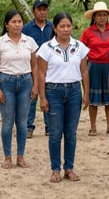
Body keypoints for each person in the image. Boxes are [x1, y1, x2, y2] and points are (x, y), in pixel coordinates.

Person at [38, 12, 89, 183]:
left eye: (68, 26)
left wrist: (86, 92)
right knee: (55, 133)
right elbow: (41, 73)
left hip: (74, 90)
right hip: (54, 91)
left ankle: (69, 167)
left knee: (71, 133)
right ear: (55, 28)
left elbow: (84, 71)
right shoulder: (46, 48)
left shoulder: (79, 47)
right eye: (62, 26)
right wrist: (42, 97)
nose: (66, 30)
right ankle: (55, 169)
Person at [0, 9, 38, 169]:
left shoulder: (29, 41)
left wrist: (35, 85)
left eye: (19, 22)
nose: (17, 25)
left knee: (22, 123)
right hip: (7, 82)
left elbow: (35, 65)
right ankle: (7, 157)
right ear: (6, 24)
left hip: (25, 81)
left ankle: (20, 156)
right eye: (13, 22)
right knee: (8, 122)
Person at [80, 1, 109, 136]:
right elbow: (81, 51)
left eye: (104, 15)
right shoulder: (87, 32)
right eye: (99, 15)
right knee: (93, 98)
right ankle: (93, 126)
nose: (102, 18)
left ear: (108, 16)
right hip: (93, 66)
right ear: (94, 17)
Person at [22, 0, 53, 138]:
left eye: (44, 9)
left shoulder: (53, 27)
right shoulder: (26, 29)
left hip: (50, 68)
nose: (42, 12)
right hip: (31, 67)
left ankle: (49, 126)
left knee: (48, 97)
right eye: (39, 9)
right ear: (33, 11)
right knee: (31, 96)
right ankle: (29, 127)